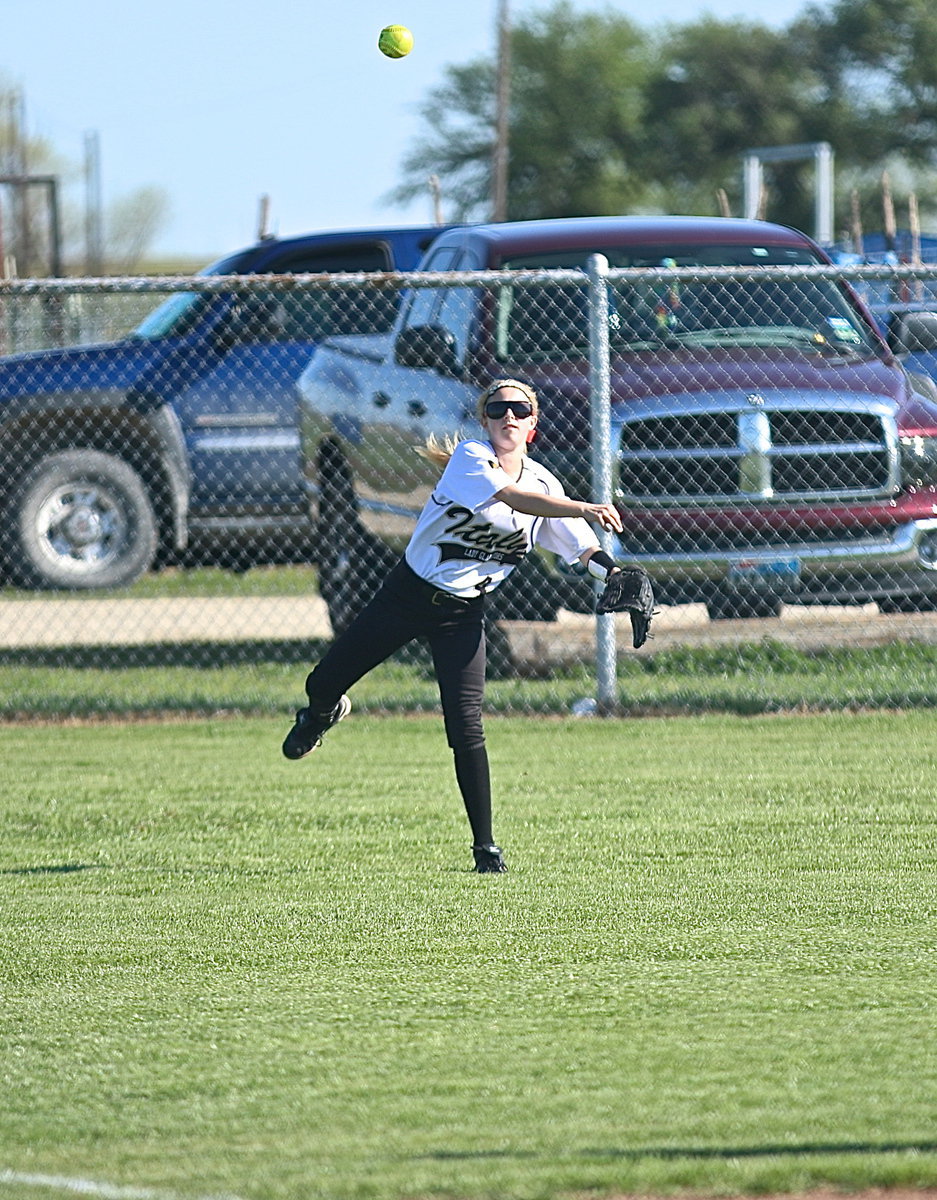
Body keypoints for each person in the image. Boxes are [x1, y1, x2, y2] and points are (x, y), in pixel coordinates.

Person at [282, 378, 625, 874]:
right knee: (322, 681)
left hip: (462, 615)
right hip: (406, 596)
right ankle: (320, 713)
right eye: (498, 409)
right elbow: (513, 498)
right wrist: (585, 507)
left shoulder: (546, 485)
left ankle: (486, 849)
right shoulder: (472, 458)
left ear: (532, 425)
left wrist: (613, 572)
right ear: (485, 420)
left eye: (519, 409)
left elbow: (582, 548)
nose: (509, 416)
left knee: (466, 727)